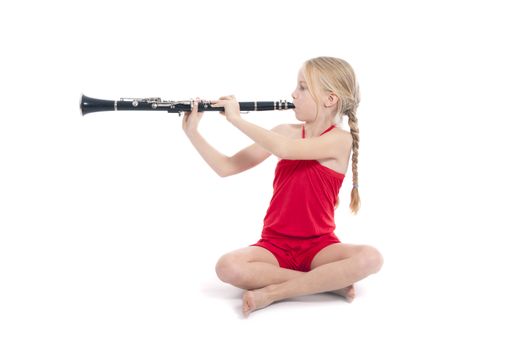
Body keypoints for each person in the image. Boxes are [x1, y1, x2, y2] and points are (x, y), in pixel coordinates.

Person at [182, 56, 383, 317]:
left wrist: (237, 120)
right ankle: (327, 282)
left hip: (319, 246)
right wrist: (193, 134)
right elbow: (227, 167)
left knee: (372, 257)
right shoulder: (284, 131)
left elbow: (286, 150)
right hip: (275, 245)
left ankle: (275, 292)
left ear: (329, 99)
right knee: (227, 267)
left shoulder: (340, 141)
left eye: (302, 87)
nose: (293, 94)